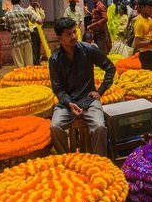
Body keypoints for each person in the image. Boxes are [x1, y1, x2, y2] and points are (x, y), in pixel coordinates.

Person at [49, 18, 115, 156]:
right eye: (68, 34)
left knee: (99, 127)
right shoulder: (55, 59)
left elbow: (110, 68)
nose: (74, 36)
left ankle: (100, 162)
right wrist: (69, 103)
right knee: (55, 127)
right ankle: (67, 159)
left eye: (74, 32)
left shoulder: (89, 49)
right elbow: (58, 88)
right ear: (59, 38)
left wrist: (101, 91)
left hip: (89, 99)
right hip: (67, 103)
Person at [4, 0, 42, 67]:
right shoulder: (26, 11)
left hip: (16, 41)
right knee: (29, 64)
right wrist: (38, 9)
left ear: (11, 2)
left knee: (19, 65)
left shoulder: (7, 14)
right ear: (20, 1)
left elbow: (7, 28)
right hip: (27, 39)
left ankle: (21, 78)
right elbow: (39, 22)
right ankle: (29, 78)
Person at [27, 0, 46, 65]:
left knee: (38, 46)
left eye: (36, 1)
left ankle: (37, 61)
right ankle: (35, 62)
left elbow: (43, 17)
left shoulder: (37, 9)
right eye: (33, 1)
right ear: (30, 2)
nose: (35, 2)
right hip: (33, 30)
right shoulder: (28, 10)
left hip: (39, 29)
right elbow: (29, 22)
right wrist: (31, 30)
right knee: (34, 47)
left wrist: (39, 7)